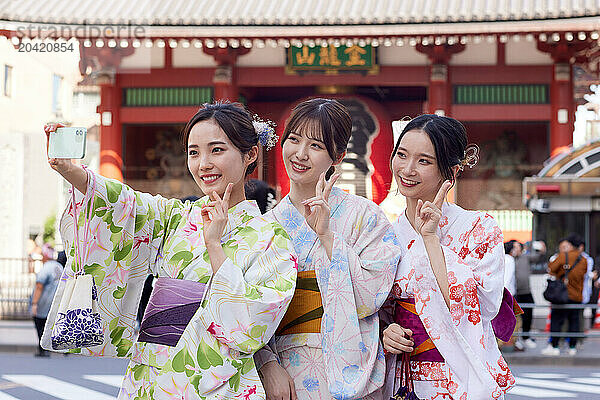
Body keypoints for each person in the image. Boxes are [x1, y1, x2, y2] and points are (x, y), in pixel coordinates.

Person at [41, 102, 297, 399]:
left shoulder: (271, 237)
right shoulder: (177, 217)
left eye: (216, 150)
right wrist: (70, 169)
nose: (203, 163)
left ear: (250, 154)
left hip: (217, 382)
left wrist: (214, 245)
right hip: (152, 374)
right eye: (193, 152)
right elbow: (125, 204)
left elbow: (251, 323)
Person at [254, 98, 401, 400]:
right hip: (285, 367)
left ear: (339, 156)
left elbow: (372, 296)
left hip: (345, 363)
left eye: (316, 146)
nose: (300, 154)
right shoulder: (265, 226)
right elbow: (250, 309)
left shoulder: (366, 217)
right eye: (293, 140)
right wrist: (266, 363)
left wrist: (328, 237)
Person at [381, 114, 515, 399]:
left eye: (424, 161)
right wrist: (386, 330)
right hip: (402, 377)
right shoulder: (385, 234)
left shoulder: (479, 228)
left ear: (451, 172)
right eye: (401, 155)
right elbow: (375, 307)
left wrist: (430, 239)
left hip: (459, 376)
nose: (407, 169)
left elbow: (482, 307)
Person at [541, 236, 587, 356]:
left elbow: (550, 268)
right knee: (574, 321)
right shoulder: (583, 259)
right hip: (577, 295)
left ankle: (554, 346)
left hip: (562, 295)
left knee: (557, 321)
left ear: (570, 245)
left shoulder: (563, 256)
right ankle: (572, 347)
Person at [31, 244, 63, 357]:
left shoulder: (46, 268)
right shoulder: (59, 267)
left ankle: (43, 349)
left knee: (40, 326)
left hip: (44, 302)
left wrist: (34, 303)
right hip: (56, 302)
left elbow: (39, 286)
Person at [514, 241, 546, 350]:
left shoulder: (525, 257)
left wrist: (541, 250)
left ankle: (526, 336)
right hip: (514, 292)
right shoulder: (508, 259)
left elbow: (537, 257)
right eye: (514, 247)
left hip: (526, 291)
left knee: (529, 313)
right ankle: (516, 339)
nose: (516, 250)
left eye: (517, 247)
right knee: (517, 317)